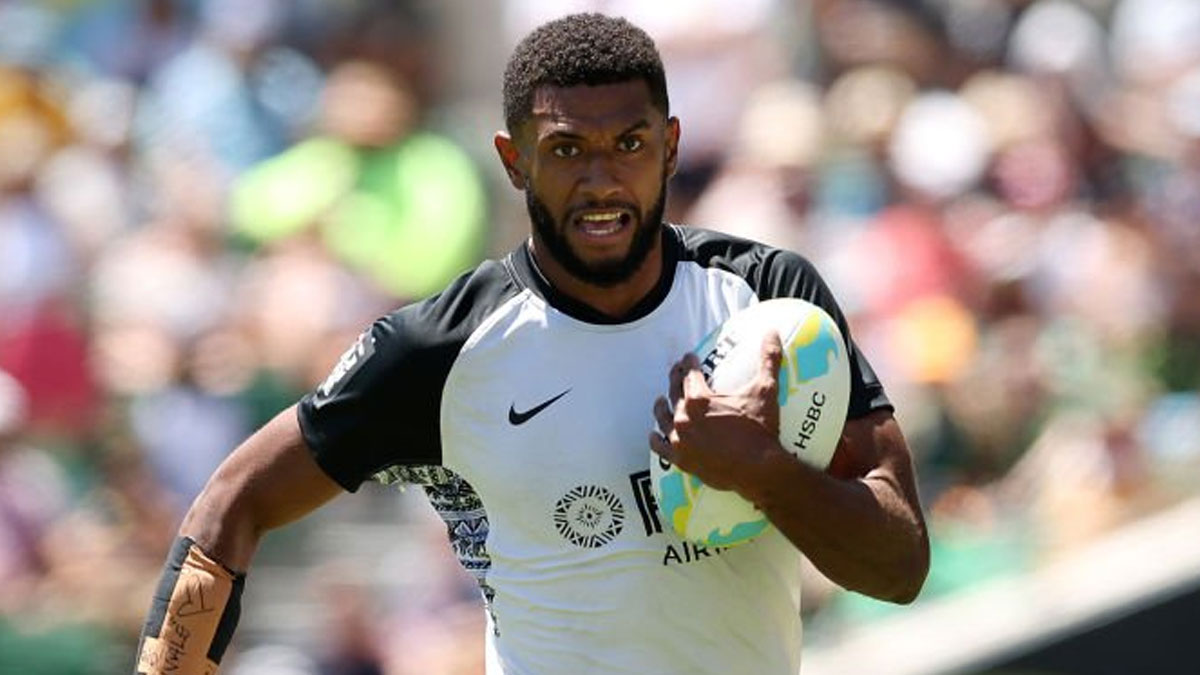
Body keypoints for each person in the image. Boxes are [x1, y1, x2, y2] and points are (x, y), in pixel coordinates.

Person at [134, 13, 929, 675]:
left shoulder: (769, 301)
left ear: (671, 146)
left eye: (629, 144)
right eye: (566, 149)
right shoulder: (444, 350)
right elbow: (234, 499)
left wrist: (762, 471)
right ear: (514, 161)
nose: (602, 180)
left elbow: (899, 565)